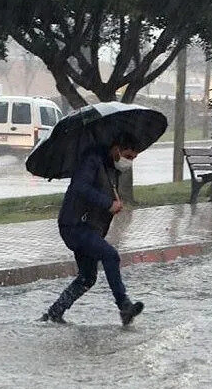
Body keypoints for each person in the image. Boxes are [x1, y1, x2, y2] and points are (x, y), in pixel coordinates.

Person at [41, 133, 145, 325]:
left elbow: (102, 192)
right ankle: (124, 306)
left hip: (91, 227)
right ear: (116, 149)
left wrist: (113, 205)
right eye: (128, 156)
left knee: (88, 277)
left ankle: (54, 312)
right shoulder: (92, 160)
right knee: (110, 255)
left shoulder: (112, 168)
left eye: (133, 158)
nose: (129, 162)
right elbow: (80, 187)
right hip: (74, 225)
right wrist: (107, 203)